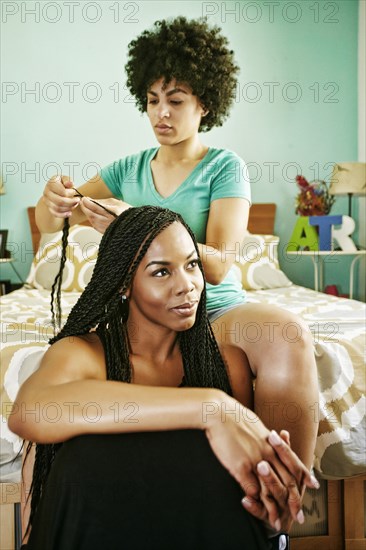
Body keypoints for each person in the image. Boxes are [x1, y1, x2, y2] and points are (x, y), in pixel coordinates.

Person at [35, 14, 319, 529]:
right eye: (152, 100)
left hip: (216, 306)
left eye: (177, 99)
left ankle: (279, 508)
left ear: (205, 103)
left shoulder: (224, 167)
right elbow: (57, 216)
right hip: (144, 312)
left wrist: (140, 225)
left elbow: (221, 261)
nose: (161, 113)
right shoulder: (125, 169)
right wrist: (51, 201)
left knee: (288, 336)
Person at [9, 206, 318, 550]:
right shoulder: (83, 354)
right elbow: (31, 411)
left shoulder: (227, 365)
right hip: (102, 532)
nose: (186, 286)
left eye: (191, 265)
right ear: (125, 283)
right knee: (82, 459)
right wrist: (209, 407)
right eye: (160, 272)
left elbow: (235, 489)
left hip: (197, 533)